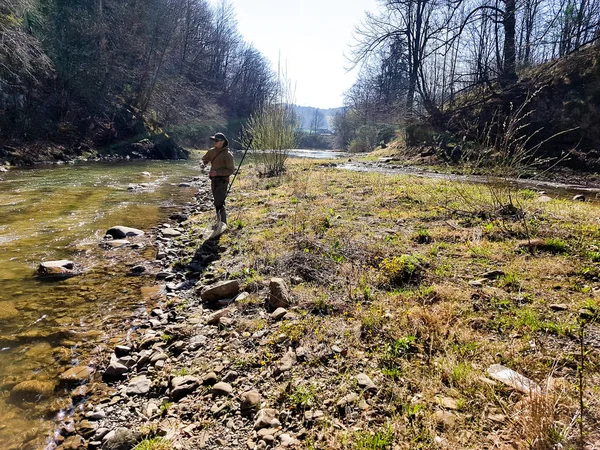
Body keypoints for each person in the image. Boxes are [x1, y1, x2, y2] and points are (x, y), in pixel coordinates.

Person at [202, 132, 235, 228]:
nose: (214, 143)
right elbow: (204, 160)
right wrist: (202, 164)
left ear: (222, 142)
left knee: (219, 202)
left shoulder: (228, 155)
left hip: (223, 181)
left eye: (216, 141)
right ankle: (219, 223)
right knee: (217, 202)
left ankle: (223, 224)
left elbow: (230, 170)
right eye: (213, 141)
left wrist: (217, 173)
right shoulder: (211, 151)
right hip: (213, 181)